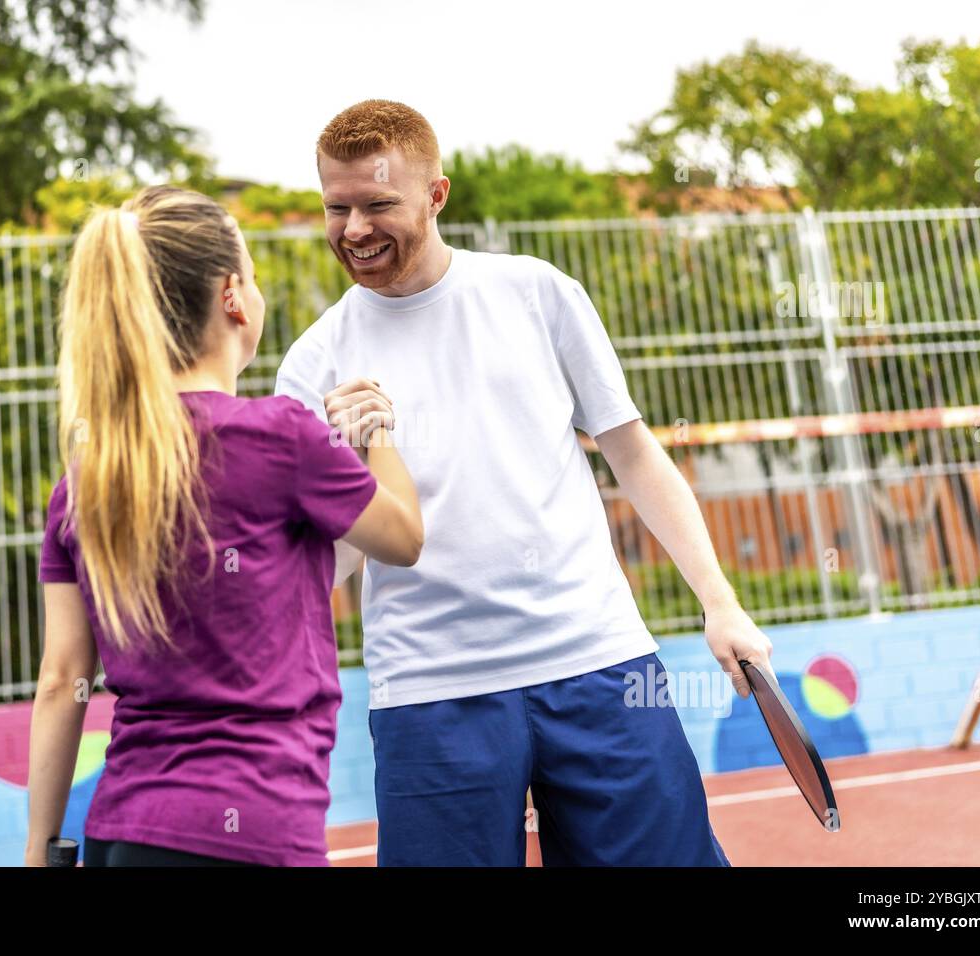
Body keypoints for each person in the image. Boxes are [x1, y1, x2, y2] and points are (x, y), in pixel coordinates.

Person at [274, 100, 774, 866]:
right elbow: (326, 566)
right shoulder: (313, 364)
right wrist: (349, 472)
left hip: (599, 662)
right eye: (336, 208)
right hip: (429, 691)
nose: (354, 229)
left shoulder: (536, 292)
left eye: (378, 204)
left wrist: (722, 603)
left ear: (437, 196)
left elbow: (633, 453)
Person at [24, 184, 423, 867]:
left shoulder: (85, 483)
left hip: (121, 831)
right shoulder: (282, 435)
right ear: (234, 296)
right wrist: (377, 423)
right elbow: (404, 538)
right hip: (254, 830)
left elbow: (62, 681)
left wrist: (38, 848)